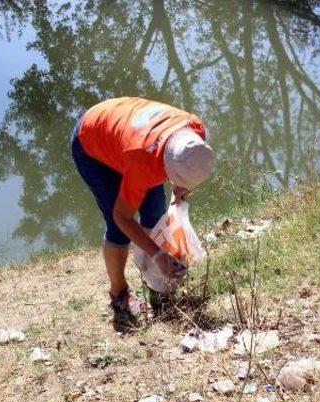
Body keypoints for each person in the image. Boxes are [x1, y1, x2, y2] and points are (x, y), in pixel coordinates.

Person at [71, 97, 214, 325]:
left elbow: (185, 169)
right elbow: (123, 217)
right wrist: (159, 255)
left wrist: (181, 189)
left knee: (155, 214)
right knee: (117, 227)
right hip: (91, 143)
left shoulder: (194, 132)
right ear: (166, 163)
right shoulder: (143, 163)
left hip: (126, 136)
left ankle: (155, 287)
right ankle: (119, 295)